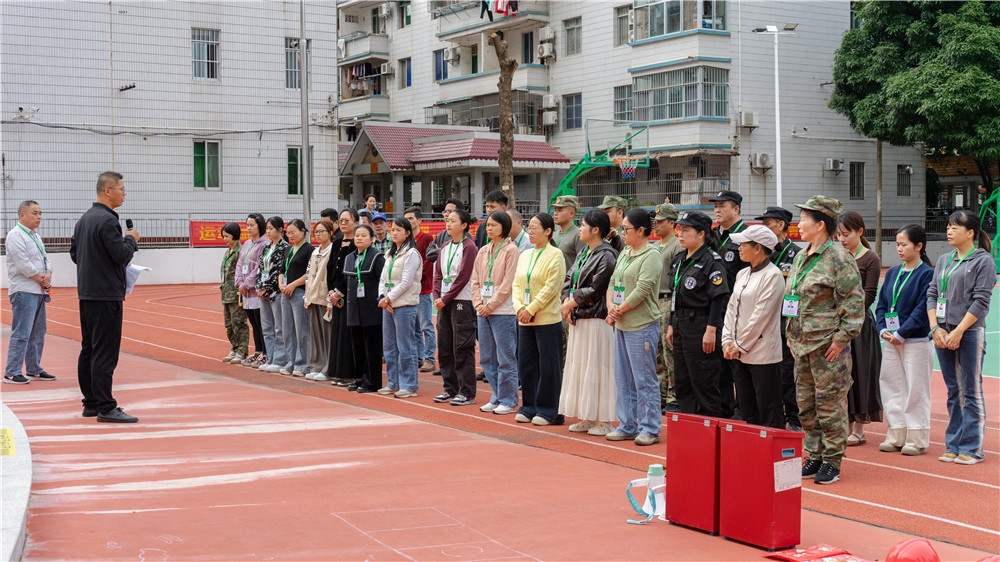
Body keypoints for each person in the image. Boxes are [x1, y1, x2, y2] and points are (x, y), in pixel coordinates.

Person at [785, 196, 864, 485]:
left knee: (830, 404)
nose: (799, 224)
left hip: (828, 348)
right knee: (806, 405)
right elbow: (792, 299)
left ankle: (832, 460)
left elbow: (854, 306)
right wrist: (791, 337)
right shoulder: (800, 256)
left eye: (804, 219)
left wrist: (841, 341)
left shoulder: (840, 258)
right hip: (802, 346)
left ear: (820, 224)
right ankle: (814, 455)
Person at [69, 171, 140, 422]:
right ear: (107, 190)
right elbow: (121, 254)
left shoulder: (84, 219)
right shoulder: (108, 221)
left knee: (88, 348)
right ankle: (106, 407)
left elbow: (75, 255)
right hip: (106, 296)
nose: (124, 193)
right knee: (105, 352)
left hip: (87, 294)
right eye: (122, 188)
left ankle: (90, 403)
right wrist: (131, 240)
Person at [927, 209, 996, 465]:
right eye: (948, 226)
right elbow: (932, 293)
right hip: (943, 333)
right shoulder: (944, 259)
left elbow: (981, 301)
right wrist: (936, 327)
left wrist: (958, 331)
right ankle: (953, 444)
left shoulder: (982, 261)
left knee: (971, 390)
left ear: (970, 233)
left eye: (955, 227)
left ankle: (971, 448)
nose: (949, 230)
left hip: (968, 333)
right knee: (954, 391)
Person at [875, 224, 935, 456]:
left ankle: (917, 437)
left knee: (916, 388)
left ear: (919, 246)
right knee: (891, 385)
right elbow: (882, 305)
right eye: (897, 244)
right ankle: (896, 433)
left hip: (916, 341)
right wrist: (883, 330)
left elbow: (922, 309)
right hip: (891, 340)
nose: (899, 249)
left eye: (904, 244)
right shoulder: (892, 272)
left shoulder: (927, 273)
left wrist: (903, 333)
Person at [604, 209, 663, 445]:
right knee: (623, 378)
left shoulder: (652, 255)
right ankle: (628, 424)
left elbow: (643, 288)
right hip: (621, 323)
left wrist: (621, 309)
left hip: (641, 324)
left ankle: (649, 427)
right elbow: (612, 281)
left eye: (626, 229)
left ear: (641, 230)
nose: (622, 233)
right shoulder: (626, 252)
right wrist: (610, 306)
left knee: (644, 378)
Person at [559, 210, 619, 434]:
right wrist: (567, 300)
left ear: (596, 230)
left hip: (596, 319)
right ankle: (586, 415)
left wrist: (570, 304)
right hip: (579, 318)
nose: (580, 229)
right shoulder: (584, 252)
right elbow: (569, 278)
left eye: (583, 225)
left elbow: (596, 288)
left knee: (598, 367)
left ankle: (603, 420)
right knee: (581, 367)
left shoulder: (607, 255)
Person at [665, 211, 729, 418]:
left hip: (701, 325)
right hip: (681, 324)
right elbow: (676, 294)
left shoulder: (712, 260)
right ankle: (688, 429)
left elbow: (718, 298)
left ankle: (709, 430)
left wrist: (711, 329)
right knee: (683, 380)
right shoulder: (680, 259)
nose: (680, 234)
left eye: (686, 230)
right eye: (679, 230)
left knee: (703, 380)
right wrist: (671, 324)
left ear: (701, 234)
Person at [722, 225, 786, 429]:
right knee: (748, 410)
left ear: (758, 248)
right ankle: (754, 456)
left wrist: (738, 345)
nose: (738, 248)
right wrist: (727, 341)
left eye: (743, 244)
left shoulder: (773, 276)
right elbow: (732, 309)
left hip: (763, 355)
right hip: (739, 353)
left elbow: (761, 317)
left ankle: (774, 458)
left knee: (769, 410)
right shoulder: (742, 274)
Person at [512, 213, 567, 425]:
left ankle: (549, 409)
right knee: (526, 365)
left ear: (548, 231)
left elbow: (551, 288)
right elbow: (517, 285)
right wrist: (520, 308)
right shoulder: (525, 255)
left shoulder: (555, 255)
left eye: (535, 228)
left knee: (548, 366)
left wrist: (532, 308)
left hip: (546, 319)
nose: (531, 231)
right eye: (530, 227)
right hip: (524, 319)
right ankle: (529, 406)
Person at [837, 211, 883, 446]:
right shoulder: (837, 256)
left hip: (859, 327)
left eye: (846, 234)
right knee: (840, 376)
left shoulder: (870, 258)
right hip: (836, 326)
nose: (842, 239)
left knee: (860, 375)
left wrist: (847, 315)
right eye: (839, 235)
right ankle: (842, 425)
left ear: (860, 232)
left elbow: (870, 294)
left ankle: (859, 429)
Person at [756, 206, 802, 430]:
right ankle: (773, 416)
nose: (764, 228)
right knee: (767, 373)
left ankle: (794, 418)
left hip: (786, 323)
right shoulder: (763, 253)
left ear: (781, 225)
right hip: (764, 321)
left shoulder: (797, 254)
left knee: (787, 373)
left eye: (768, 223)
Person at [470, 210, 521, 414]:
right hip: (483, 311)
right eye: (487, 225)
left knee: (505, 357)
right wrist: (478, 304)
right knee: (486, 359)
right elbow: (474, 281)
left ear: (505, 227)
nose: (488, 228)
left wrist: (489, 305)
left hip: (503, 311)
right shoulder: (483, 251)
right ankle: (497, 395)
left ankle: (508, 400)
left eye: (493, 225)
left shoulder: (511, 250)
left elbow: (507, 284)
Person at [4, 200, 55, 384]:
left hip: (39, 291)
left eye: (40, 213)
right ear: (22, 215)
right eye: (34, 213)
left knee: (38, 332)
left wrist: (47, 275)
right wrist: (42, 279)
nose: (39, 216)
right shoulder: (15, 235)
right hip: (24, 290)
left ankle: (34, 368)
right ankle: (12, 372)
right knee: (22, 332)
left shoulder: (35, 236)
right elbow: (23, 264)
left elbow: (45, 258)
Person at [432, 209, 479, 405]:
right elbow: (438, 275)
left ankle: (466, 391)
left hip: (462, 301)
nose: (448, 224)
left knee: (462, 346)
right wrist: (437, 297)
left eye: (453, 221)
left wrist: (446, 298)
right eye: (447, 221)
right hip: (443, 302)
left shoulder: (469, 247)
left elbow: (463, 277)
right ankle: (449, 388)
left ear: (464, 225)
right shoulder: (444, 246)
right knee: (444, 346)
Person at [709, 189, 748, 420]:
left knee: (738, 363)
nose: (717, 210)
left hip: (739, 310)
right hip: (717, 308)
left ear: (736, 209)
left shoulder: (746, 236)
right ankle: (724, 407)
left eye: (723, 206)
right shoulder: (713, 235)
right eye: (716, 206)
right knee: (719, 364)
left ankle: (742, 410)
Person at [379, 218, 423, 398]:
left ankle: (409, 385)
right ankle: (393, 382)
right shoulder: (390, 253)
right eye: (393, 230)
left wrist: (389, 298)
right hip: (388, 304)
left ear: (407, 233)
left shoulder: (411, 253)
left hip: (404, 304)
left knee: (406, 346)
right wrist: (382, 297)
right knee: (389, 346)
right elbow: (383, 279)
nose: (394, 233)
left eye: (398, 230)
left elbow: (406, 282)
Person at [425, 198, 464, 378]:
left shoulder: (467, 242)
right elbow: (430, 254)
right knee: (444, 334)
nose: (446, 216)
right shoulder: (441, 235)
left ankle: (458, 372)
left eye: (451, 213)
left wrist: (439, 250)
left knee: (459, 336)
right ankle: (446, 369)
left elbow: (462, 275)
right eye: (445, 213)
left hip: (458, 298)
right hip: (441, 297)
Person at [345, 224, 385, 393]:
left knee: (372, 348)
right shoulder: (350, 257)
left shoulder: (377, 257)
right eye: (357, 235)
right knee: (357, 347)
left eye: (363, 235)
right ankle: (359, 378)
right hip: (354, 308)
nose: (359, 238)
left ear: (372, 239)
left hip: (371, 309)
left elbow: (382, 281)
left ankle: (373, 381)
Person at [653, 203, 683, 413]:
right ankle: (660, 393)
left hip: (667, 298)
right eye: (655, 220)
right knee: (656, 351)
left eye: (661, 221)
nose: (656, 224)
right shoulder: (656, 245)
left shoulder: (676, 246)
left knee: (668, 350)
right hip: (654, 300)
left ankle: (674, 395)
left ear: (672, 223)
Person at [326, 209, 358, 385]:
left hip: (349, 295)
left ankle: (349, 373)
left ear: (355, 222)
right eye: (341, 220)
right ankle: (338, 372)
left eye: (347, 220)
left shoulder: (357, 244)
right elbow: (330, 269)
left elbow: (352, 273)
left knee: (348, 335)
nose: (343, 223)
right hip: (335, 296)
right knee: (337, 335)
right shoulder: (337, 243)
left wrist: (339, 292)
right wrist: (331, 292)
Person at [278, 219, 313, 377]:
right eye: (288, 233)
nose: (290, 235)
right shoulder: (288, 249)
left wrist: (293, 285)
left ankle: (303, 363)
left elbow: (310, 272)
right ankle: (290, 362)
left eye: (293, 232)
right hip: (285, 293)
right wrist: (281, 284)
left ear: (303, 231)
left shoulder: (309, 250)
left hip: (299, 292)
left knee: (302, 331)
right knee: (287, 330)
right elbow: (281, 269)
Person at [405, 206, 438, 373]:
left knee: (426, 325)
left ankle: (430, 358)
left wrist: (412, 275)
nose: (409, 222)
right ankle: (418, 357)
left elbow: (428, 261)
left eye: (411, 219)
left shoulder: (426, 238)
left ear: (419, 221)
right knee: (414, 326)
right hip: (408, 290)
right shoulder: (405, 241)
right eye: (407, 219)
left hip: (422, 288)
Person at [256, 217, 290, 374]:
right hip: (262, 293)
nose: (268, 231)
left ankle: (279, 359)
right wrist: (258, 287)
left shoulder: (285, 248)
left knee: (279, 327)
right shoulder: (266, 247)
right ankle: (270, 358)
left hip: (275, 293)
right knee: (267, 327)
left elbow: (279, 271)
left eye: (271, 228)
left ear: (280, 230)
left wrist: (267, 288)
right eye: (267, 229)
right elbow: (260, 268)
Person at [303, 219, 335, 379]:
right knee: (316, 335)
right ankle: (316, 365)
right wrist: (306, 296)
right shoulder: (315, 252)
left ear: (330, 233)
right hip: (313, 296)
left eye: (322, 231)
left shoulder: (333, 250)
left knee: (327, 335)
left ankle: (328, 368)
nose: (318, 234)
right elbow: (309, 274)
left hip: (325, 296)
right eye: (316, 232)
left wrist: (331, 299)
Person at [237, 214, 270, 368]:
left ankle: (265, 352)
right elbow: (240, 263)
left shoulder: (264, 244)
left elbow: (259, 267)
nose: (249, 228)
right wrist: (239, 282)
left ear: (260, 226)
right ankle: (257, 351)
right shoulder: (246, 244)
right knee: (253, 323)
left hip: (255, 290)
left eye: (252, 225)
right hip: (245, 291)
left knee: (261, 322)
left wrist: (247, 283)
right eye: (247, 225)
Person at [219, 222, 249, 365]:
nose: (225, 239)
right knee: (229, 324)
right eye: (223, 236)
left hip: (237, 294)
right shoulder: (228, 251)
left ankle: (242, 351)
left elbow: (243, 272)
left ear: (235, 235)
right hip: (226, 293)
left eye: (227, 236)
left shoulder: (240, 252)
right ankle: (234, 347)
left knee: (238, 323)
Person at [551, 195, 587, 272]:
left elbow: (582, 264)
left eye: (560, 210)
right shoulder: (554, 235)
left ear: (571, 214)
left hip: (569, 282)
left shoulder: (579, 234)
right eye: (555, 210)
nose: (555, 213)